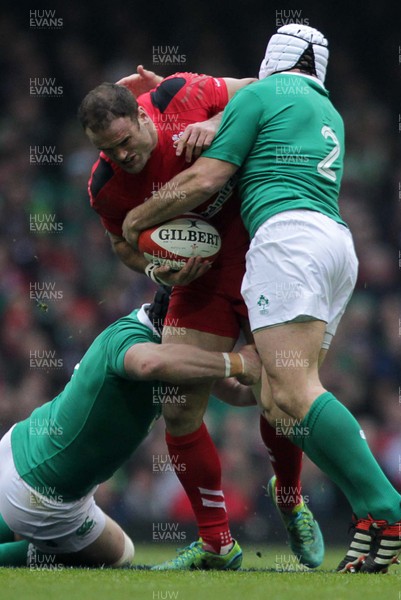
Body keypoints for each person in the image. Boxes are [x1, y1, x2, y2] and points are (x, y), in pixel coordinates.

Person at [121, 24, 401, 574]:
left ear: (272, 59)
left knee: (292, 390)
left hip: (286, 242)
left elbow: (205, 178)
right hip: (336, 246)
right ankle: (370, 517)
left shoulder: (263, 93)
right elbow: (235, 100)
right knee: (279, 400)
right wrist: (195, 104)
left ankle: (390, 506)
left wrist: (137, 220)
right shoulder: (326, 109)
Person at [79, 70, 324, 569]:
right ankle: (217, 542)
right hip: (198, 280)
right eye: (109, 150)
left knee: (282, 391)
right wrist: (155, 267)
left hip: (260, 253)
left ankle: (291, 497)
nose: (121, 156)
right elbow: (123, 245)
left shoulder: (179, 95)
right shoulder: (104, 185)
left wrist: (217, 122)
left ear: (143, 114)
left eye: (125, 141)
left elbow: (264, 87)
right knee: (178, 404)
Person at [0, 299, 261, 568]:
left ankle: (18, 527)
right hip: (44, 491)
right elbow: (149, 364)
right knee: (119, 555)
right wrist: (238, 362)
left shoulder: (171, 349)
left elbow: (236, 392)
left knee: (120, 546)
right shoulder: (130, 337)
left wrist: (281, 386)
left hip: (20, 450)